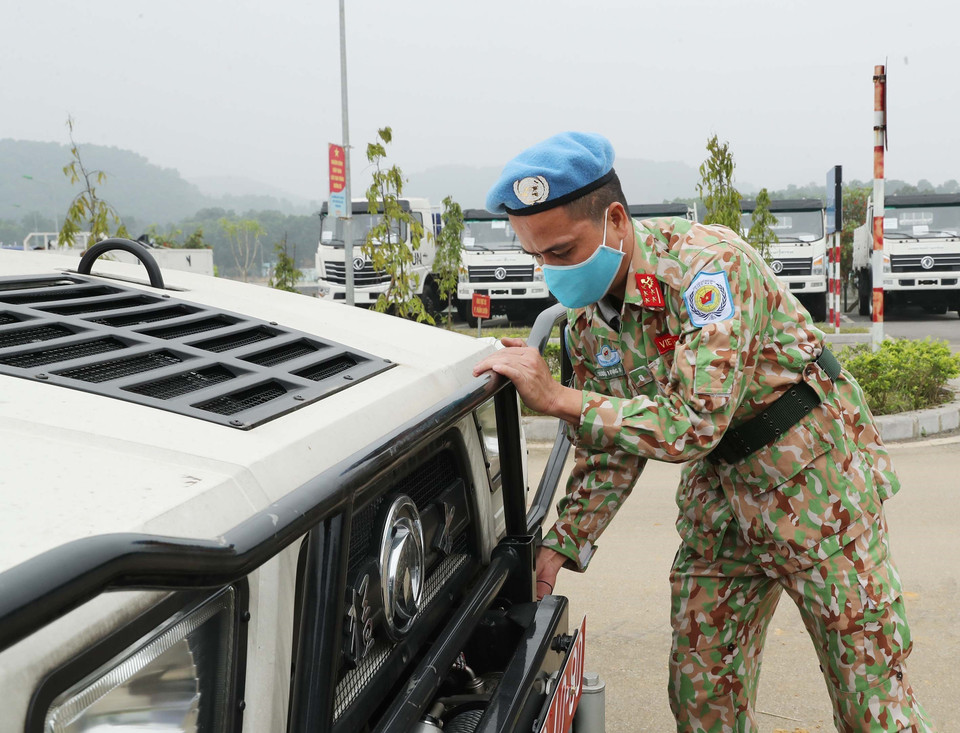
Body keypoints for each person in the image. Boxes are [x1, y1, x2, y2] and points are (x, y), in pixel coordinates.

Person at [473, 132, 935, 732]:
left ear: (616, 220)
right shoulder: (587, 326)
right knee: (701, 694)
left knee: (869, 699)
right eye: (537, 257)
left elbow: (695, 420)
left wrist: (558, 398)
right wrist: (564, 540)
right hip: (720, 501)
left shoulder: (706, 270)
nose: (551, 272)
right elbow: (611, 445)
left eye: (562, 251)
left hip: (819, 488)